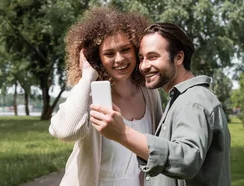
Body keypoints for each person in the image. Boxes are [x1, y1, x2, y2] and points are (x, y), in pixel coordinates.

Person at [89, 23, 231, 186]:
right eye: (141, 58)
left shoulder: (193, 102)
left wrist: (122, 133)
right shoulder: (183, 99)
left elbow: (185, 160)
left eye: (153, 57)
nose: (143, 66)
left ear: (178, 58)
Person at [49, 7, 163, 186]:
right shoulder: (91, 94)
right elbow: (65, 131)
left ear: (136, 50)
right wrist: (87, 76)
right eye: (109, 53)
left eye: (125, 49)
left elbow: (156, 148)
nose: (119, 60)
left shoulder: (149, 92)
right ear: (97, 58)